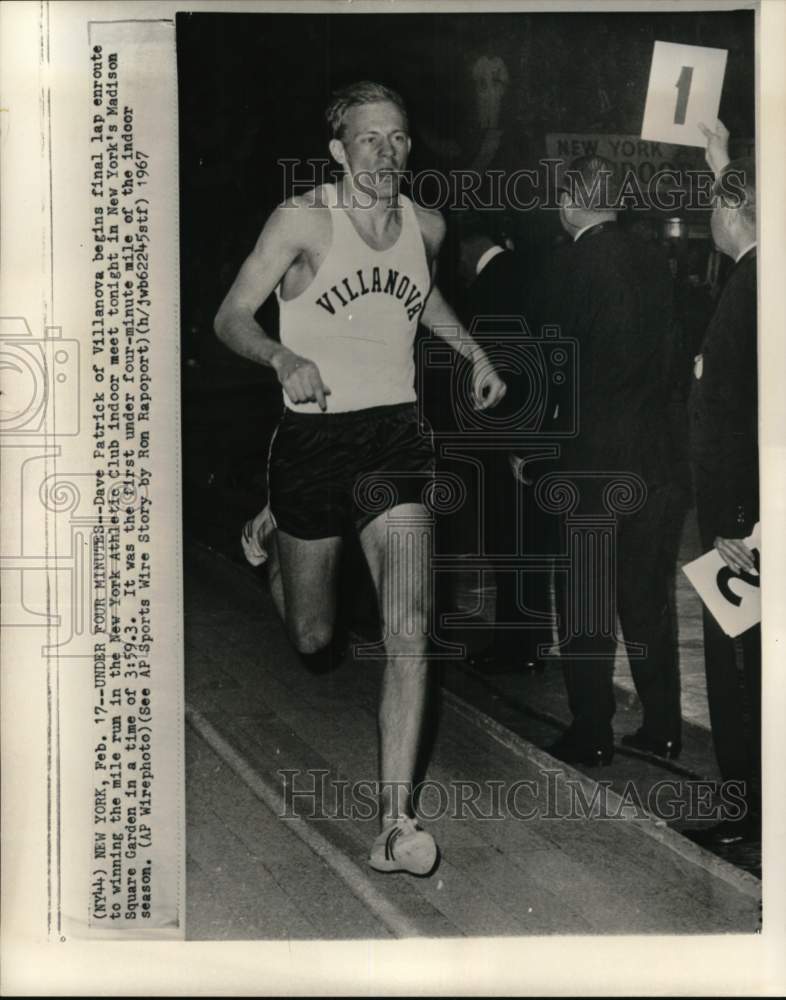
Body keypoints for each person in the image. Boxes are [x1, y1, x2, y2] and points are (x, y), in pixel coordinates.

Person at [215, 81, 506, 875]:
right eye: (369, 139)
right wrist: (282, 354)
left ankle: (394, 823)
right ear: (339, 152)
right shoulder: (302, 221)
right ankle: (272, 532)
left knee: (411, 624)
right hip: (312, 440)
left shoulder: (429, 224)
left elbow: (422, 296)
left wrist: (473, 353)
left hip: (395, 437)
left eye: (399, 137)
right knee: (313, 639)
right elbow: (231, 315)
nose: (387, 152)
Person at [539, 155, 687, 766]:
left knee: (584, 597)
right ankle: (663, 725)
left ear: (570, 199)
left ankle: (592, 728)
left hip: (593, 463)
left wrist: (537, 448)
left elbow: (558, 368)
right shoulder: (657, 259)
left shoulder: (573, 264)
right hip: (657, 456)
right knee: (646, 595)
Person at [687, 123, 760, 855]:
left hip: (742, 528)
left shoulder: (752, 284)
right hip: (751, 516)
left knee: (738, 668)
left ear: (733, 213)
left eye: (714, 199)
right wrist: (721, 159)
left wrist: (742, 520)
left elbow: (750, 414)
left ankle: (750, 819)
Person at [453, 214, 555, 672]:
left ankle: (517, 647)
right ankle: (529, 642)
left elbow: (513, 369)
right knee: (528, 547)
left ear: (471, 246)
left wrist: (517, 443)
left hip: (508, 442)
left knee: (509, 546)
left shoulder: (493, 287)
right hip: (533, 439)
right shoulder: (528, 271)